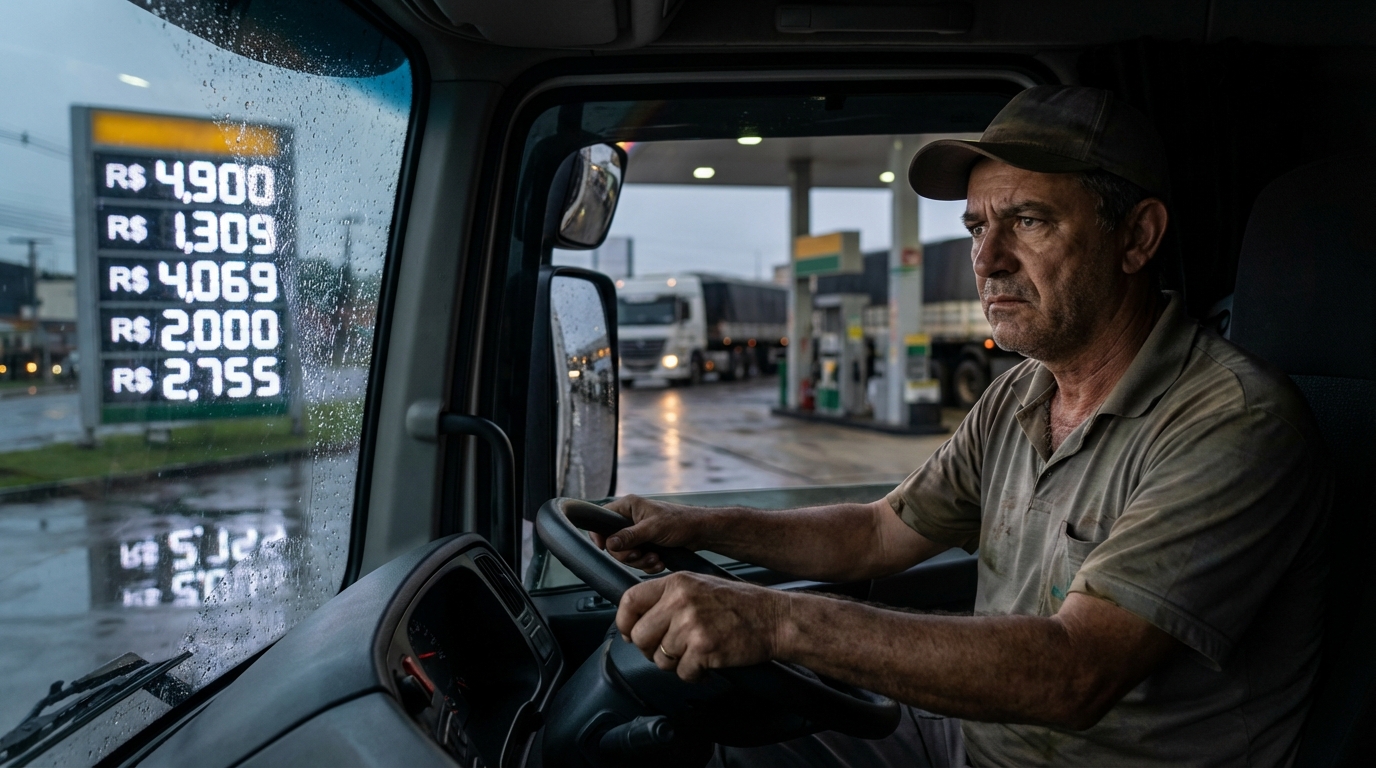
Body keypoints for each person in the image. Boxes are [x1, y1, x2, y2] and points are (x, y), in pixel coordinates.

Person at [595, 85, 1331, 767]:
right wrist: (695, 527)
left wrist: (778, 623)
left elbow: (1077, 670)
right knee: (724, 738)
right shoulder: (1019, 396)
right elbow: (877, 533)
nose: (986, 259)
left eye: (1029, 221)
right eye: (977, 226)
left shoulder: (1231, 421)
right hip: (976, 740)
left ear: (1137, 238)